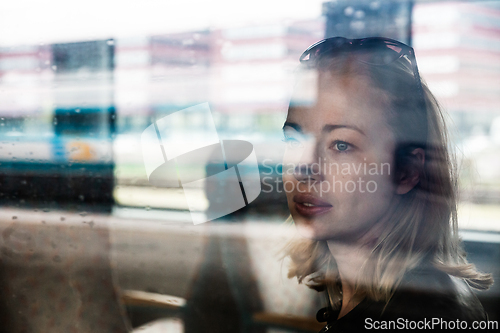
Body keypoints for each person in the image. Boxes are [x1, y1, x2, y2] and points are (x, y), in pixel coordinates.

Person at [281, 37, 493, 331]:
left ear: (406, 171)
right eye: (294, 139)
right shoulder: (370, 296)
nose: (304, 168)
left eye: (341, 145)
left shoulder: (421, 315)